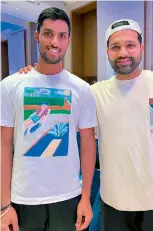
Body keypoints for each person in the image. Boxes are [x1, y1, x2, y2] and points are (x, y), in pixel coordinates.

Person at [19, 19, 153, 231]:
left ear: (141, 47)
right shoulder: (94, 93)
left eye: (130, 45)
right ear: (107, 52)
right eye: (115, 47)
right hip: (113, 205)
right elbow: (54, 108)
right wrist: (35, 77)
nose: (123, 52)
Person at [1, 7, 96, 231]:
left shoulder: (81, 89)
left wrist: (85, 198)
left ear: (69, 40)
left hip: (69, 196)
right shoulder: (11, 85)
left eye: (62, 35)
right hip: (23, 198)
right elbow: (4, 145)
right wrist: (4, 206)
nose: (55, 42)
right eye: (48, 33)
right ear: (37, 35)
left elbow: (88, 144)